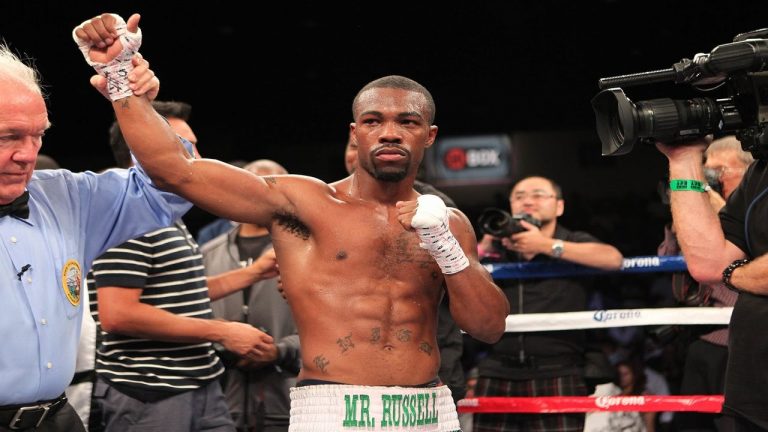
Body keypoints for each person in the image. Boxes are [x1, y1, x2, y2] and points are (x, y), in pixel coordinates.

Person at [77, 15, 510, 431]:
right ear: (355, 133)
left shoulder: (448, 222)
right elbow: (177, 170)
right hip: (333, 409)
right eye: (373, 121)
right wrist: (120, 78)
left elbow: (488, 327)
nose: (390, 132)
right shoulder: (303, 204)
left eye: (407, 122)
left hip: (427, 411)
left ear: (429, 135)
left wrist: (445, 247)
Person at [0, 20, 191, 431]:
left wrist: (128, 95)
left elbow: (175, 188)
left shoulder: (65, 197)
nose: (27, 155)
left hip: (59, 419)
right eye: (7, 137)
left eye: (38, 136)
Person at [88, 101, 278, 432]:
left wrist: (254, 273)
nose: (197, 158)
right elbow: (118, 314)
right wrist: (222, 331)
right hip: (151, 394)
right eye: (185, 146)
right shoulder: (125, 215)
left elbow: (179, 292)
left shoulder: (164, 212)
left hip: (200, 385)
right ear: (142, 149)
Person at [473, 175, 624, 432]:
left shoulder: (572, 239)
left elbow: (613, 259)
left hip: (559, 369)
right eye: (519, 197)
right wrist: (483, 248)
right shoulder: (499, 247)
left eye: (538, 195)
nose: (528, 201)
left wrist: (546, 245)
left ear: (559, 206)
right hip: (498, 369)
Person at [656, 133, 767, 430]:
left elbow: (726, 269)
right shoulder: (757, 182)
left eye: (719, 172)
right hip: (738, 357)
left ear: (747, 166)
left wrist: (733, 273)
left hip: (731, 340)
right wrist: (684, 168)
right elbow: (704, 265)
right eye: (708, 171)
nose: (712, 179)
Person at [344, 136, 468, 404]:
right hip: (347, 368)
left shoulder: (434, 206)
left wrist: (442, 242)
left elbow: (461, 289)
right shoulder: (329, 206)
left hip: (427, 358)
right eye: (354, 146)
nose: (360, 153)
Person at [201, 159, 300, 432]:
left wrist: (280, 351)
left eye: (270, 189)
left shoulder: (308, 251)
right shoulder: (208, 252)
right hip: (220, 404)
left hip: (288, 401)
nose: (259, 196)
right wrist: (221, 341)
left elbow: (330, 326)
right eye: (250, 187)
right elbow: (190, 315)